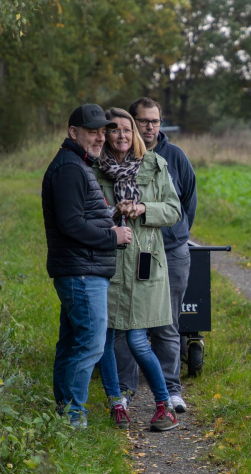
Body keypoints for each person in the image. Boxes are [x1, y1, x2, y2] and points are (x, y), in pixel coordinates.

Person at [42, 104, 131, 428]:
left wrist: (110, 215)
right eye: (92, 132)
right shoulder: (69, 168)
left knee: (71, 343)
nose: (100, 138)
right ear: (73, 132)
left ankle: (65, 413)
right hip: (81, 272)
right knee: (91, 343)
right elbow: (71, 224)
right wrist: (112, 236)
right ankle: (74, 417)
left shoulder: (76, 164)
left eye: (102, 132)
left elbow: (80, 216)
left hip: (81, 269)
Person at [94, 107, 182, 431]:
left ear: (134, 134)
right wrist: (112, 212)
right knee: (104, 338)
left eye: (127, 129)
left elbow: (174, 209)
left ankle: (164, 406)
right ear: (105, 134)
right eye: (114, 129)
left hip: (144, 263)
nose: (122, 135)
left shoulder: (154, 165)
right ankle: (116, 404)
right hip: (108, 263)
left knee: (138, 340)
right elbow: (85, 214)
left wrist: (143, 207)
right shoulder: (93, 169)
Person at [112, 97, 197, 413]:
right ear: (132, 122)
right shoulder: (117, 158)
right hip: (128, 251)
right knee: (125, 322)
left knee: (167, 323)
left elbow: (185, 203)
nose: (150, 127)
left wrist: (172, 234)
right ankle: (125, 389)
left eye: (155, 121)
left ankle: (171, 390)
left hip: (170, 252)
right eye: (143, 121)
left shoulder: (173, 157)